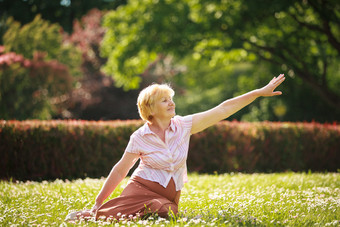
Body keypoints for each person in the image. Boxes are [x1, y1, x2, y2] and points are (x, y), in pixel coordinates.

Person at [65, 74, 285, 221]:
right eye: (164, 100)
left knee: (167, 210)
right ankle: (91, 213)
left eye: (171, 99)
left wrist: (257, 92)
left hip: (169, 194)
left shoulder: (184, 125)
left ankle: (124, 210)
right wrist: (98, 200)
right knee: (153, 212)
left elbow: (222, 109)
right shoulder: (140, 137)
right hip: (141, 188)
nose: (171, 103)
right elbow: (121, 169)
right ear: (150, 108)